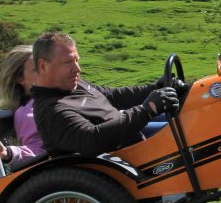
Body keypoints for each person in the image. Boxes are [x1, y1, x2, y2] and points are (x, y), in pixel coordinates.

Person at [30, 31, 180, 157]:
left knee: (188, 112)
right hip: (126, 159)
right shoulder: (52, 111)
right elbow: (92, 139)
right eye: (68, 62)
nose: (77, 69)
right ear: (43, 66)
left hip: (132, 135)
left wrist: (154, 88)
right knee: (186, 131)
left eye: (77, 61)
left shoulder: (72, 85)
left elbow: (111, 96)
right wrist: (148, 109)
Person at [0, 45, 45, 166]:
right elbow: (37, 151)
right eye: (38, 69)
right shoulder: (28, 112)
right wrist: (9, 153)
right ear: (20, 78)